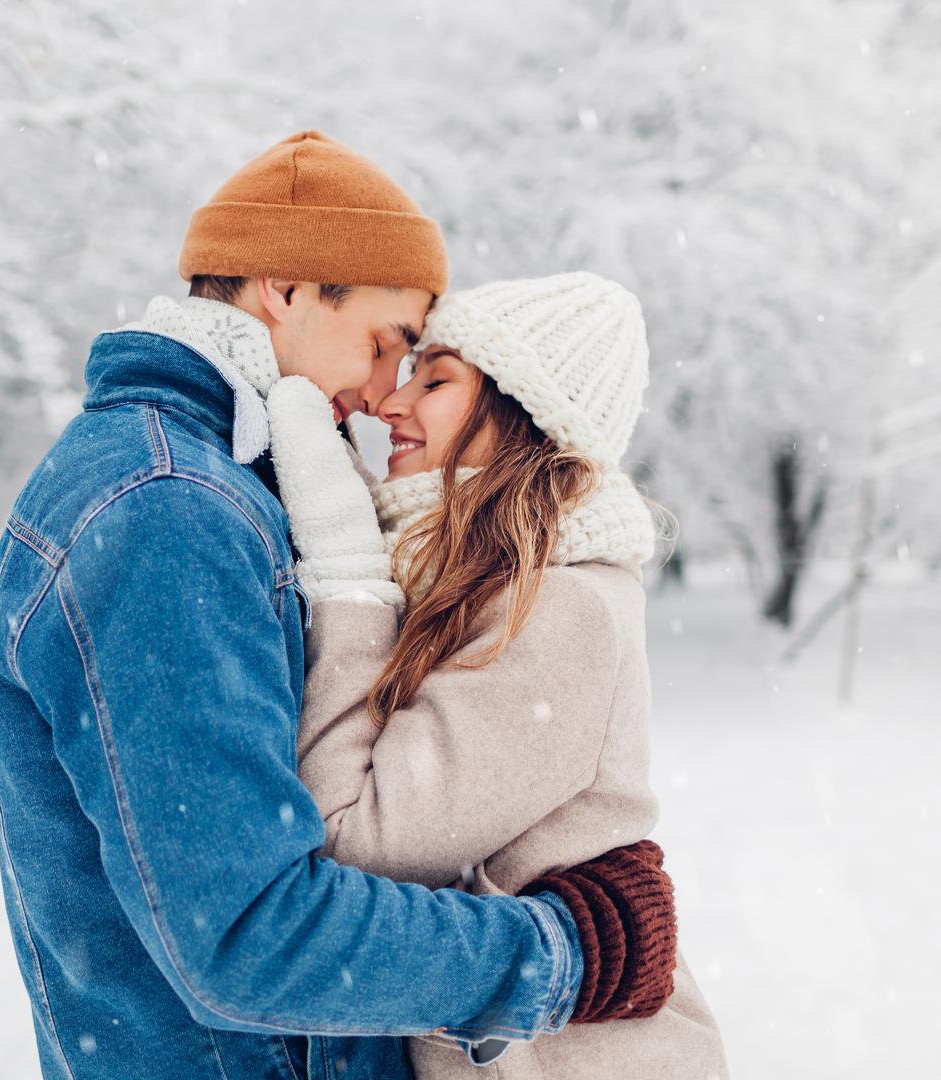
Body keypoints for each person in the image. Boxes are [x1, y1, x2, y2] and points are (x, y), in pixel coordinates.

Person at [0, 132, 680, 1080]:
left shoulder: (220, 484)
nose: (383, 391)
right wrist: (562, 955)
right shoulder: (167, 508)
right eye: (389, 345)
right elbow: (248, 935)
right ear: (290, 289)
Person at [268, 271, 730, 1078]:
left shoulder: (559, 608)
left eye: (436, 378)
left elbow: (351, 841)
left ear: (528, 416)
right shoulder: (481, 585)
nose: (389, 404)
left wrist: (348, 575)